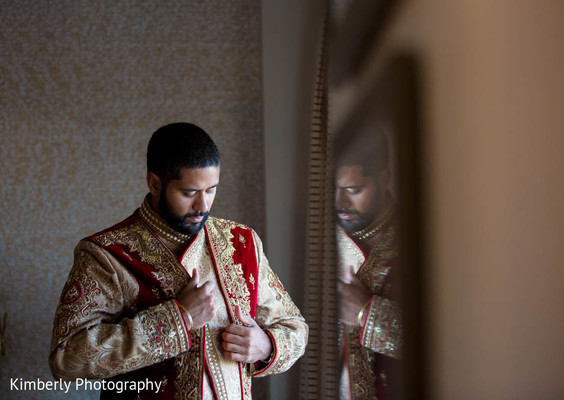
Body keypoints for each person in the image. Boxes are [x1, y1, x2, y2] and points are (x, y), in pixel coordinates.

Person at [49, 122, 308, 399]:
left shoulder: (241, 241)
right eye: (189, 193)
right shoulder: (107, 254)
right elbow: (66, 360)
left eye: (211, 190)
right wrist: (177, 319)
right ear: (155, 183)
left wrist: (266, 346)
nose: (203, 206)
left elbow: (295, 327)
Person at [335, 129, 401, 400]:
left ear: (383, 180)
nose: (340, 203)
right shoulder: (318, 243)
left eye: (354, 190)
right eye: (333, 190)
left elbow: (451, 340)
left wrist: (367, 313)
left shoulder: (422, 241)